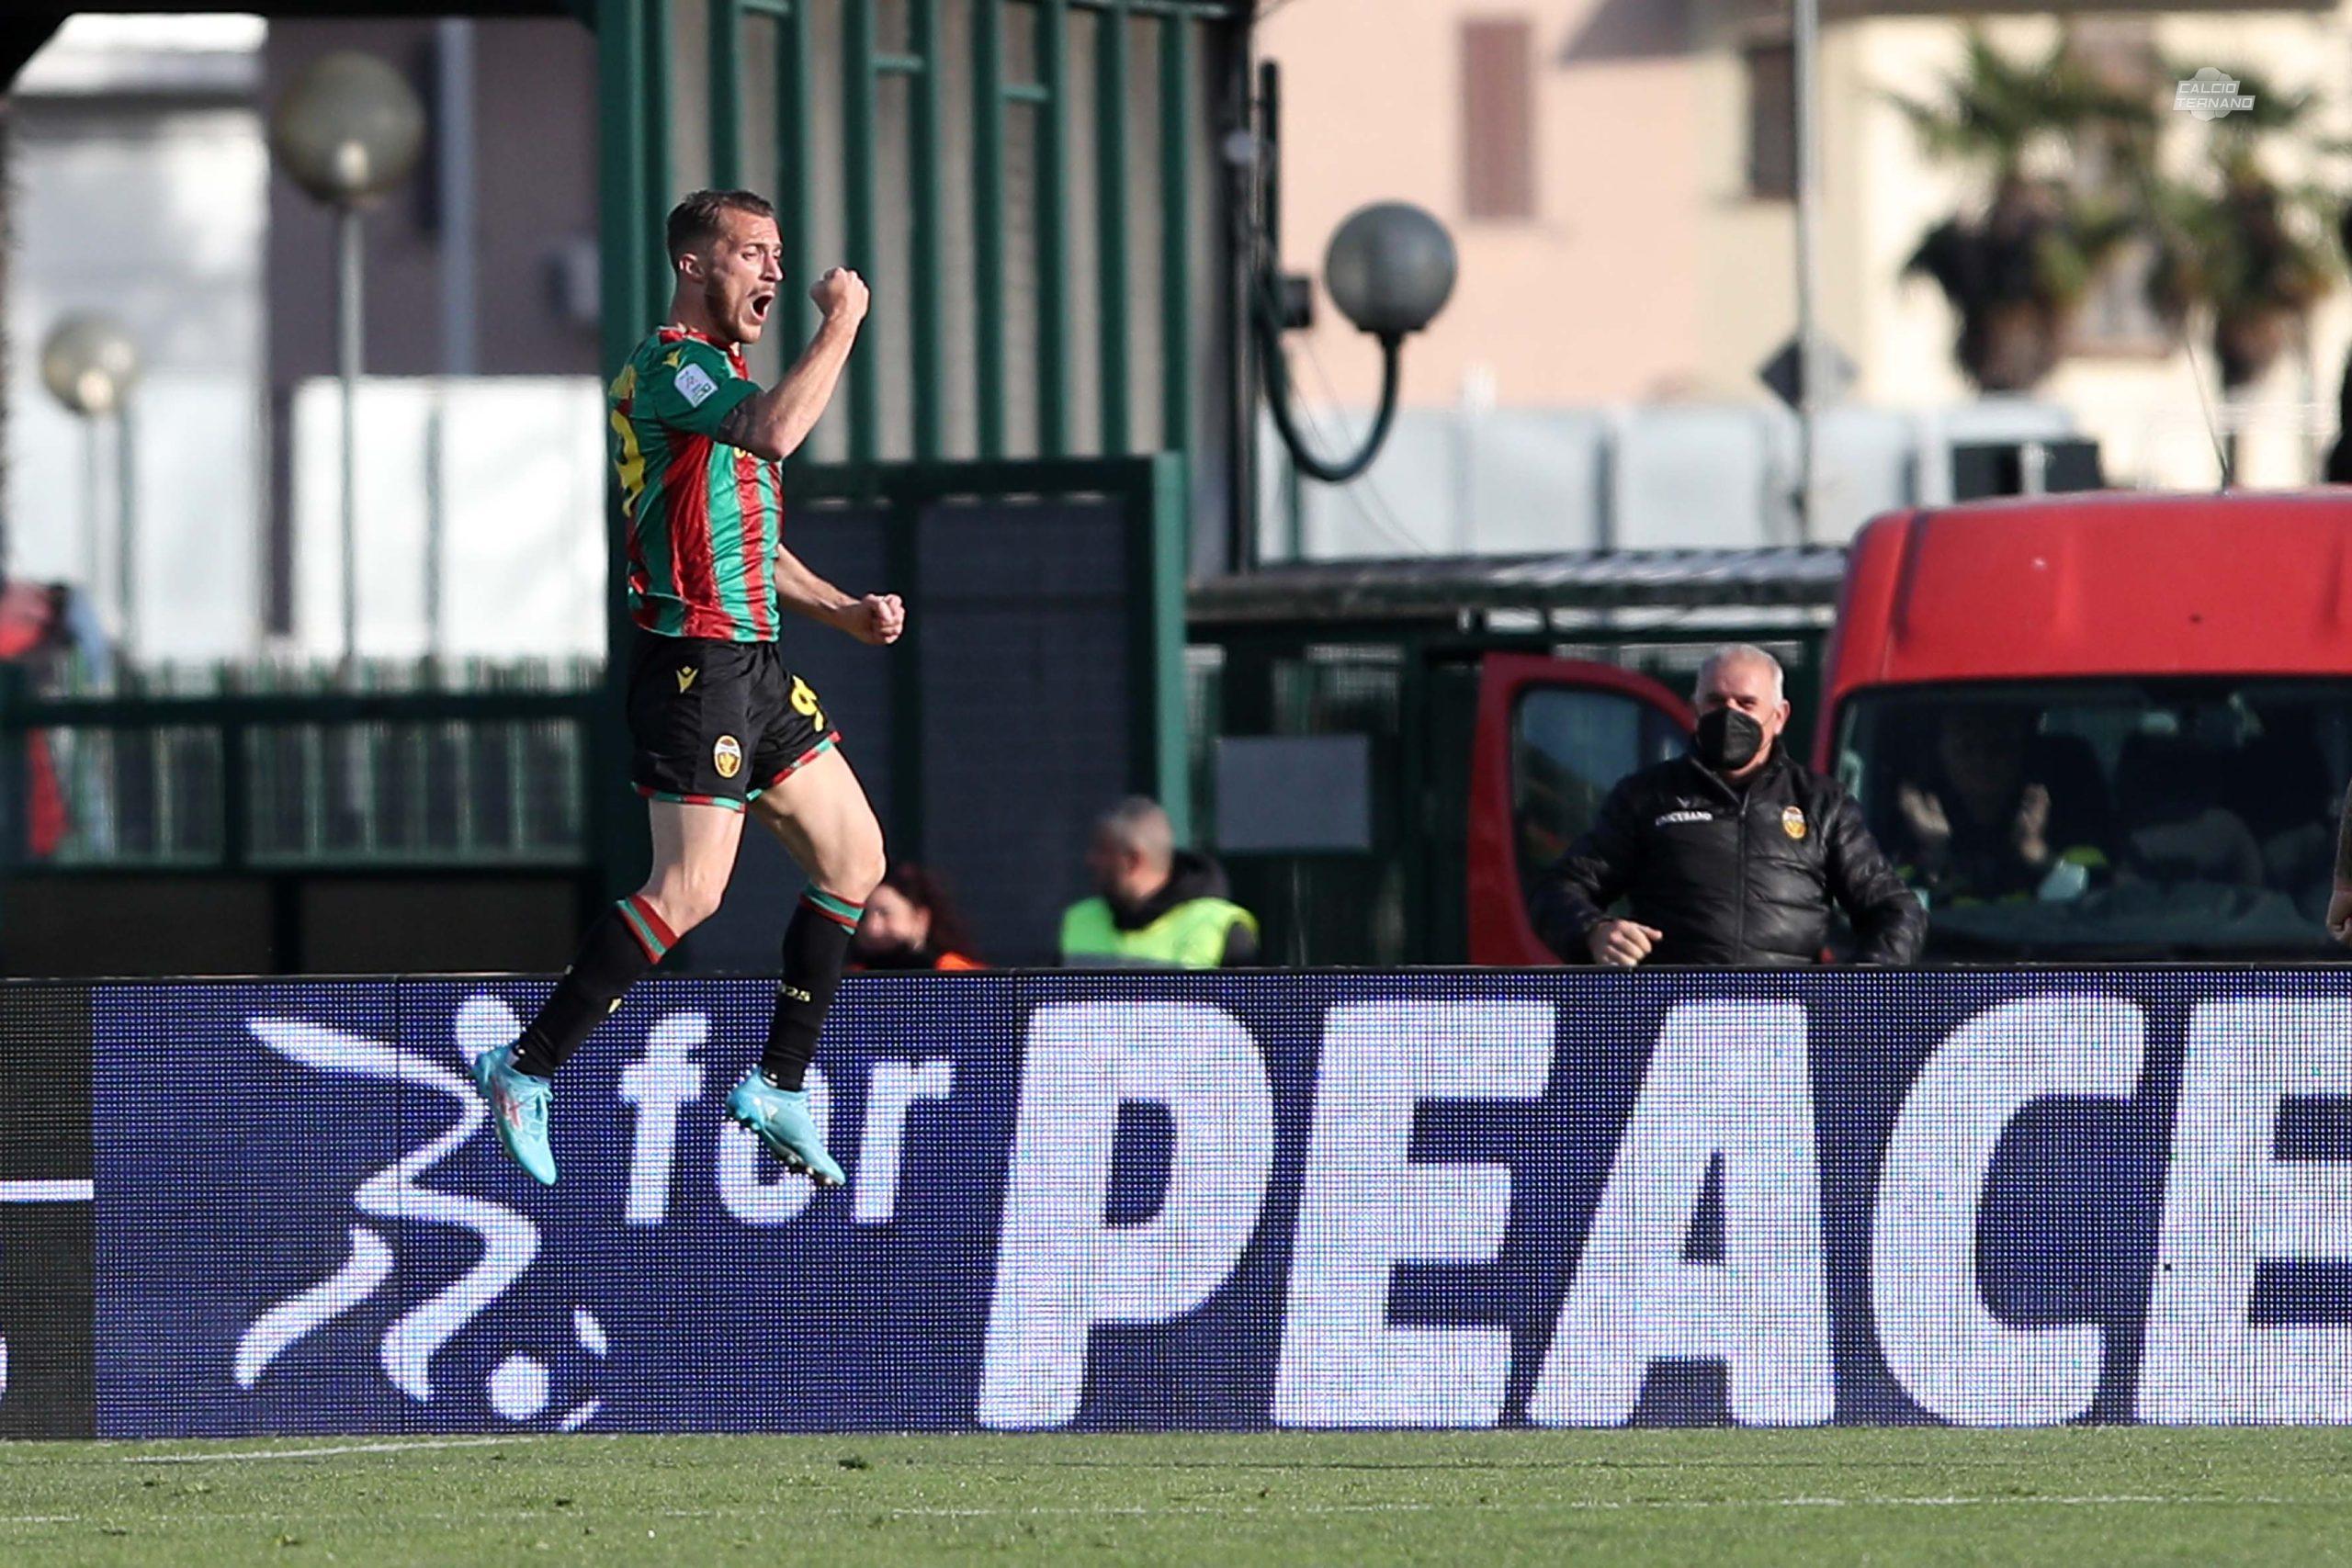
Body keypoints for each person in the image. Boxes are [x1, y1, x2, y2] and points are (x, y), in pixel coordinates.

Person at [471, 188, 896, 1190]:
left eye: (778, 253)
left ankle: (778, 1084)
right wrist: (844, 320)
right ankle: (526, 1065)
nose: (775, 271)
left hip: (753, 664)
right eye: (752, 252)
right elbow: (779, 433)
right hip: (696, 666)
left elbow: (751, 537)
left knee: (855, 857)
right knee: (690, 890)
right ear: (695, 265)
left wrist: (841, 610)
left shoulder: (720, 381)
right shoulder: (676, 368)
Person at [1532, 645, 1925, 967]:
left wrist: (1861, 987)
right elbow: (1557, 890)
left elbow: (1896, 910)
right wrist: (1593, 931)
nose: (1730, 715)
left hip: (1784, 1018)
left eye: (1746, 703)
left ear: (1779, 717)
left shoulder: (1821, 803)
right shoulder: (1646, 797)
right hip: (1675, 1017)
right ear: (1695, 709)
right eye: (1716, 701)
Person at [1888, 705, 2109, 905]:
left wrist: (2040, 856)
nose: (1982, 761)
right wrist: (1935, 855)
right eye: (1965, 748)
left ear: (2021, 753)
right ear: (1941, 754)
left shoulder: (2072, 828)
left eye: (1998, 748)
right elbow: (1889, 917)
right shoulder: (1909, 835)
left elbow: (2105, 905)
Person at [1060, 797, 1260, 968]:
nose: (1091, 860)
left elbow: (1244, 1002)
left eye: (1102, 851)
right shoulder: (1079, 921)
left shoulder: (1220, 928)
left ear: (1133, 861)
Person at [852, 862, 984, 972]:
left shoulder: (956, 974)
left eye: (885, 914)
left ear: (920, 919)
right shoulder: (850, 979)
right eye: (863, 916)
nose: (872, 928)